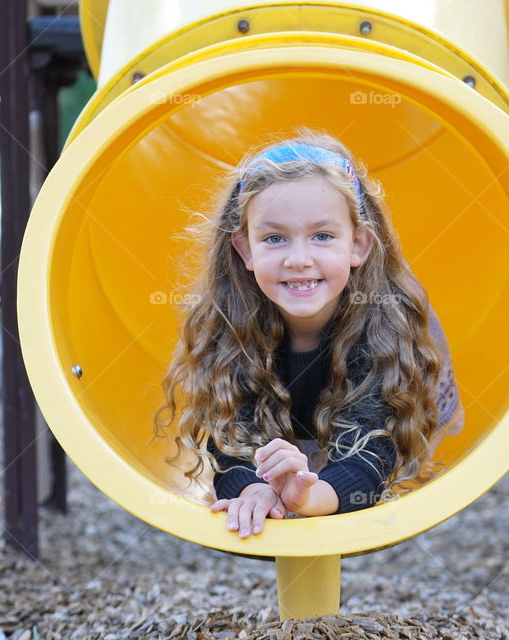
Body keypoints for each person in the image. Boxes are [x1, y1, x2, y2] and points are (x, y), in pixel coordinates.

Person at [152, 127, 464, 541]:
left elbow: (376, 442)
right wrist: (253, 490)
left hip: (395, 409)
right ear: (245, 250)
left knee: (373, 434)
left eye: (322, 236)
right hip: (288, 418)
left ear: (359, 245)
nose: (299, 260)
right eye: (275, 238)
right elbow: (230, 435)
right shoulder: (227, 323)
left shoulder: (385, 324)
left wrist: (312, 498)